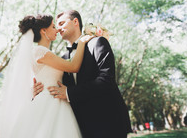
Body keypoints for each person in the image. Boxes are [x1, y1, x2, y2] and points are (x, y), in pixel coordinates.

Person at [0, 14, 93, 138]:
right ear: (44, 31)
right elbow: (73, 67)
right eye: (53, 26)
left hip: (55, 99)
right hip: (50, 102)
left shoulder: (43, 53)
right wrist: (81, 42)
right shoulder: (41, 52)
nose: (57, 30)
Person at [33, 10, 132, 138]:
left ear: (75, 22)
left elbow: (106, 80)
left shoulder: (97, 43)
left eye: (62, 23)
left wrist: (69, 93)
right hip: (79, 128)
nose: (58, 29)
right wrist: (36, 90)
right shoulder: (63, 58)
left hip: (107, 123)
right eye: (56, 25)